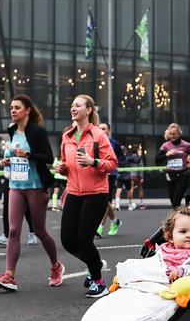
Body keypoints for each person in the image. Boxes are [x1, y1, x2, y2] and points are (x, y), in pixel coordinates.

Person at [0, 95, 64, 291]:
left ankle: (56, 267)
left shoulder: (37, 131)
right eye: (11, 108)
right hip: (16, 185)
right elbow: (10, 153)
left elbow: (48, 157)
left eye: (17, 108)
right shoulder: (12, 130)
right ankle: (9, 276)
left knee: (39, 231)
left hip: (35, 186)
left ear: (27, 110)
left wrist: (28, 155)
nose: (13, 111)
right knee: (13, 231)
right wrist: (4, 160)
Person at [55, 94, 117, 298]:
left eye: (78, 105)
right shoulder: (67, 136)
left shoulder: (98, 135)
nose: (73, 108)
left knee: (84, 240)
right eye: (72, 105)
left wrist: (93, 161)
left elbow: (112, 164)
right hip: (73, 192)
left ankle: (99, 283)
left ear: (89, 110)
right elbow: (67, 166)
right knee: (67, 240)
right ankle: (96, 264)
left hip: (96, 194)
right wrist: (62, 168)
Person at [96, 122, 125, 237]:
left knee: (104, 200)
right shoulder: (94, 142)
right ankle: (114, 221)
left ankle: (100, 227)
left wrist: (113, 162)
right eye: (99, 128)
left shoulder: (113, 143)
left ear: (108, 131)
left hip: (110, 174)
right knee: (103, 201)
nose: (101, 130)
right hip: (97, 174)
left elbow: (122, 157)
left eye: (104, 128)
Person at [157, 123, 190, 208]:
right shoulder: (166, 145)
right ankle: (179, 217)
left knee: (176, 200)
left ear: (179, 133)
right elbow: (157, 159)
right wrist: (167, 154)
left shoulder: (187, 145)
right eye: (170, 134)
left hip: (183, 175)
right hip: (170, 175)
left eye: (174, 134)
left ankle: (177, 219)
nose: (172, 136)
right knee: (173, 201)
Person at [125, 145, 146, 209]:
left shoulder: (129, 158)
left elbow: (127, 167)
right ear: (137, 151)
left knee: (131, 188)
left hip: (131, 175)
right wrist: (142, 177)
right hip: (138, 175)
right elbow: (141, 167)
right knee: (140, 189)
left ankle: (130, 204)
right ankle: (141, 204)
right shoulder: (139, 158)